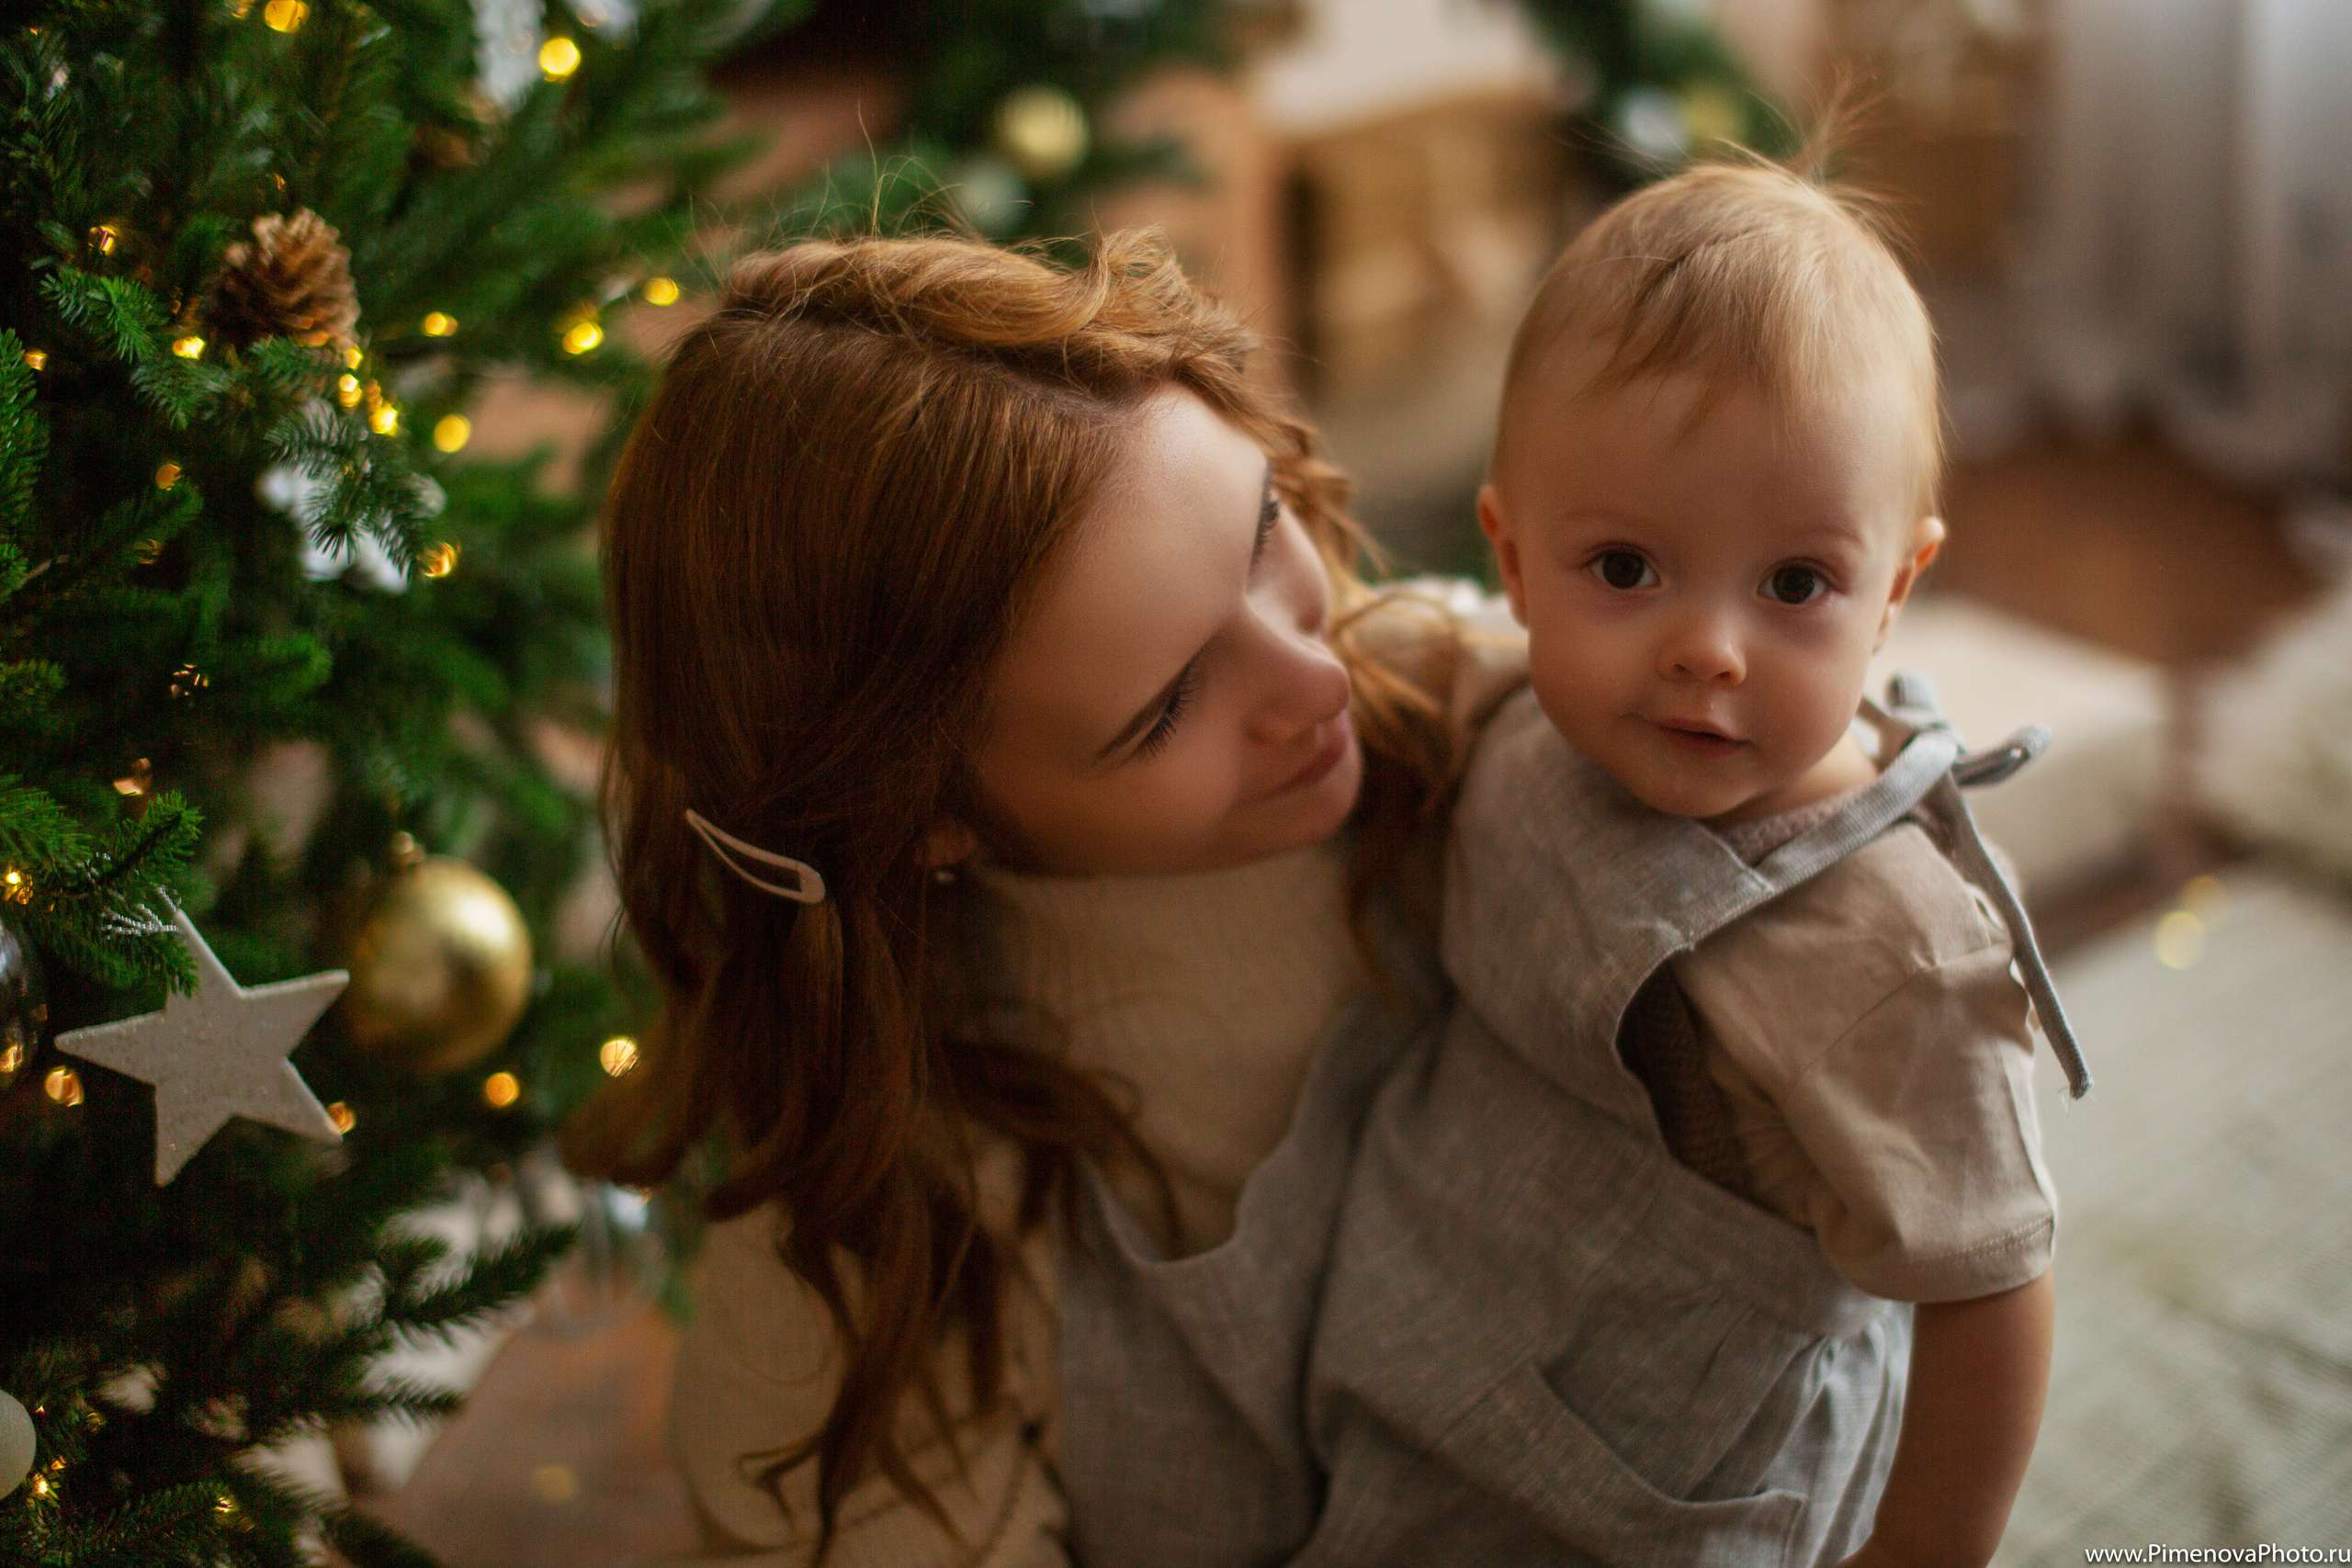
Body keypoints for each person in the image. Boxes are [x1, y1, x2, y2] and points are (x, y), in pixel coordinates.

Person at [569, 229, 1521, 1566]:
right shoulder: (888, 1198)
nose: (1314, 684)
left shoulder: (1458, 708)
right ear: (927, 819)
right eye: (1165, 706)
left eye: (1262, 533)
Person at [1294, 157, 2094, 1567]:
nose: (1706, 648)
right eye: (1625, 567)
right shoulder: (1513, 699)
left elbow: (1991, 1286)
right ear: (1515, 556)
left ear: (1894, 592)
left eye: (1795, 585)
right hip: (1413, 1375)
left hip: (1672, 1497)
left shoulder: (1890, 952)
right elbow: (1386, 647)